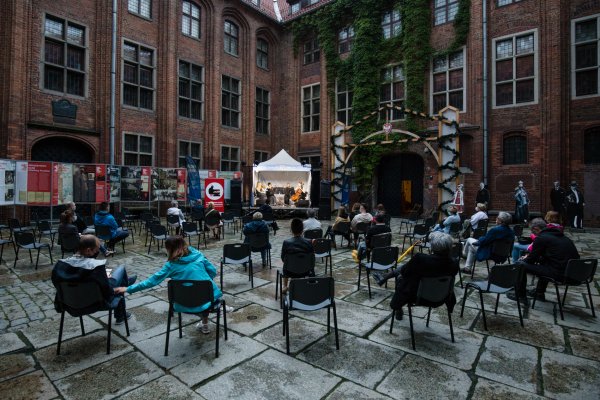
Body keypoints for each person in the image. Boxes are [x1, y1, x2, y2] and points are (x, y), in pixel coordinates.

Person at [114, 236, 231, 333]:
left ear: (169, 249)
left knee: (194, 295)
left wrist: (128, 288)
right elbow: (213, 271)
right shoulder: (199, 256)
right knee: (204, 295)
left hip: (183, 303)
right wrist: (202, 281)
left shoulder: (170, 265)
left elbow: (151, 281)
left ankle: (205, 322)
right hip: (207, 300)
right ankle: (210, 317)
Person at [372, 232, 459, 320]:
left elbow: (405, 272)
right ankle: (384, 277)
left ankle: (398, 307)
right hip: (441, 297)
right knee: (408, 269)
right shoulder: (454, 262)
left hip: (417, 297)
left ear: (433, 246)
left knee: (401, 277)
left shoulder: (421, 259)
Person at [52, 235, 135, 324]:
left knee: (117, 280)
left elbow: (58, 286)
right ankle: (121, 311)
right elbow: (108, 292)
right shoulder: (96, 267)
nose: (98, 252)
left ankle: (125, 283)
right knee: (121, 269)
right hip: (97, 304)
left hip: (69, 304)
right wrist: (105, 278)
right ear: (88, 250)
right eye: (97, 249)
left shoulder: (59, 266)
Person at [511, 218, 580, 302]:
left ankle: (520, 296)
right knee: (544, 263)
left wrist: (524, 259)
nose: (532, 234)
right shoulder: (562, 237)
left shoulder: (541, 238)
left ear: (536, 229)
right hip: (574, 274)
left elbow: (530, 260)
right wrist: (532, 257)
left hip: (561, 275)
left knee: (520, 265)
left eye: (532, 231)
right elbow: (552, 256)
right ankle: (539, 293)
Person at [280, 218, 314, 293]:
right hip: (306, 271)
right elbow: (312, 258)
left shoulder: (286, 242)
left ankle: (285, 286)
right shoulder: (309, 242)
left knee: (286, 264)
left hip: (290, 271)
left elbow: (283, 258)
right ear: (302, 230)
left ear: (291, 230)